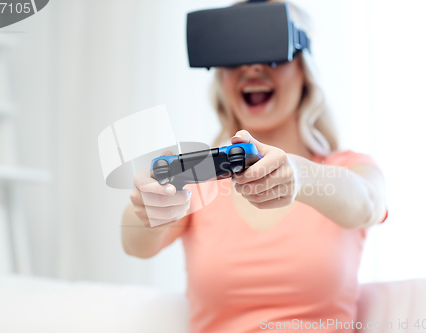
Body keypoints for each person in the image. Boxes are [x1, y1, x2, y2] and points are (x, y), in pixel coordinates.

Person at [122, 1, 388, 332]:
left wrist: (299, 175)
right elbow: (134, 245)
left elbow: (367, 203)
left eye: (270, 53)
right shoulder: (198, 179)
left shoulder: (347, 168)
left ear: (304, 68)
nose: (251, 67)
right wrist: (148, 206)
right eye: (235, 56)